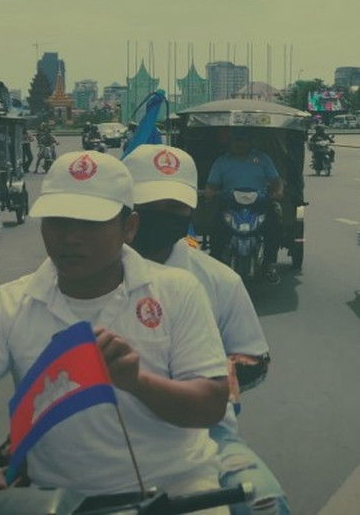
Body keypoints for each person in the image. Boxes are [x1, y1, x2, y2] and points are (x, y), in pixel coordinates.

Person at [0, 151, 229, 515]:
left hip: (178, 496)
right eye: (58, 221)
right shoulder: (9, 303)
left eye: (89, 223)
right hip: (55, 502)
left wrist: (138, 381)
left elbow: (210, 404)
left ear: (129, 227)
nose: (70, 237)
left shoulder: (177, 291)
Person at [122, 144, 290, 515]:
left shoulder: (220, 280)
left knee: (265, 503)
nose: (161, 217)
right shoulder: (94, 277)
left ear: (191, 210)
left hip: (207, 435)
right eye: (149, 207)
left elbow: (254, 357)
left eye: (174, 208)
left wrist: (214, 376)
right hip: (108, 431)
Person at [205, 128, 284, 285]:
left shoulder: (262, 159)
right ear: (230, 142)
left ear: (250, 142)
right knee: (217, 228)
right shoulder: (222, 162)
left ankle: (270, 264)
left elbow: (276, 181)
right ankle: (215, 262)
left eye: (243, 140)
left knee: (274, 225)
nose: (239, 144)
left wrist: (278, 192)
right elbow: (211, 185)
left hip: (260, 203)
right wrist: (209, 192)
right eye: (236, 140)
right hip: (230, 203)